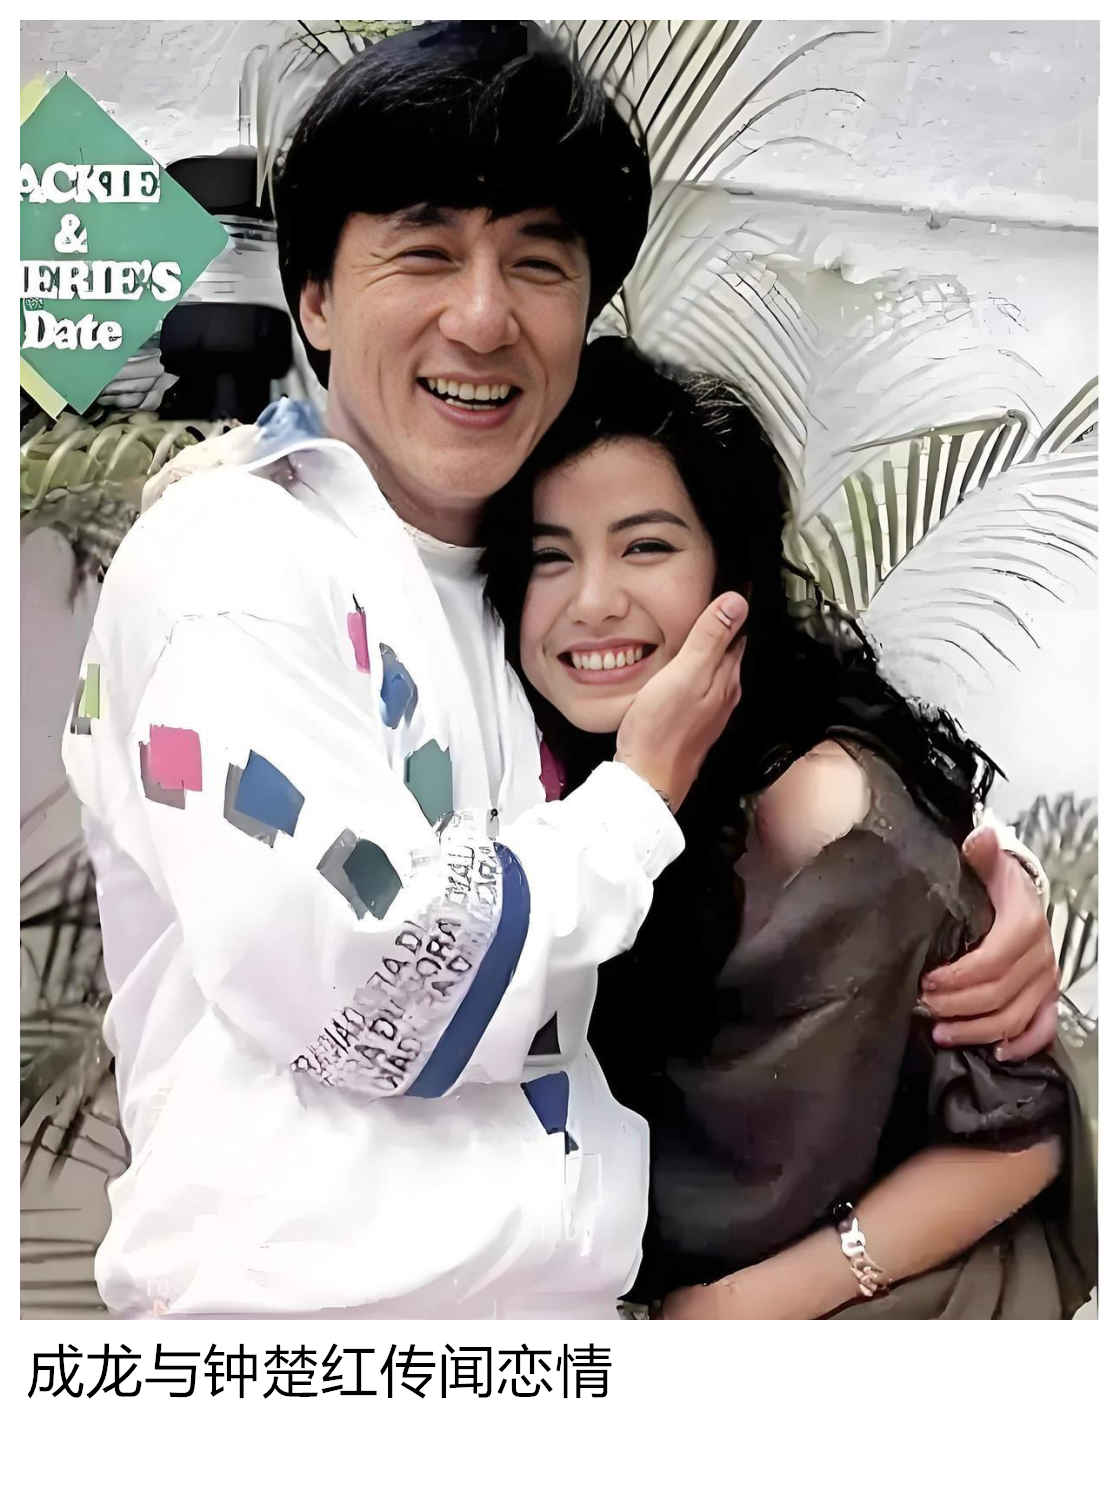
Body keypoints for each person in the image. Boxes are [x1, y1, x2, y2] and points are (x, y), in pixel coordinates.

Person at [64, 22, 1058, 1320]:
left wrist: (972, 885)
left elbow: (778, 762)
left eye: (537, 261)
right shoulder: (234, 555)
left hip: (568, 1343)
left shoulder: (514, 590)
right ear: (313, 296)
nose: (483, 317)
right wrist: (635, 799)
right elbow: (372, 984)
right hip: (318, 1350)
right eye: (424, 250)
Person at [479, 337, 1087, 1319]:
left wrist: (737, 1310)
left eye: (646, 546)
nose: (593, 602)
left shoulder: (818, 815)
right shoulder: (528, 761)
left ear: (736, 579)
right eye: (551, 556)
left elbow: (1019, 1134)